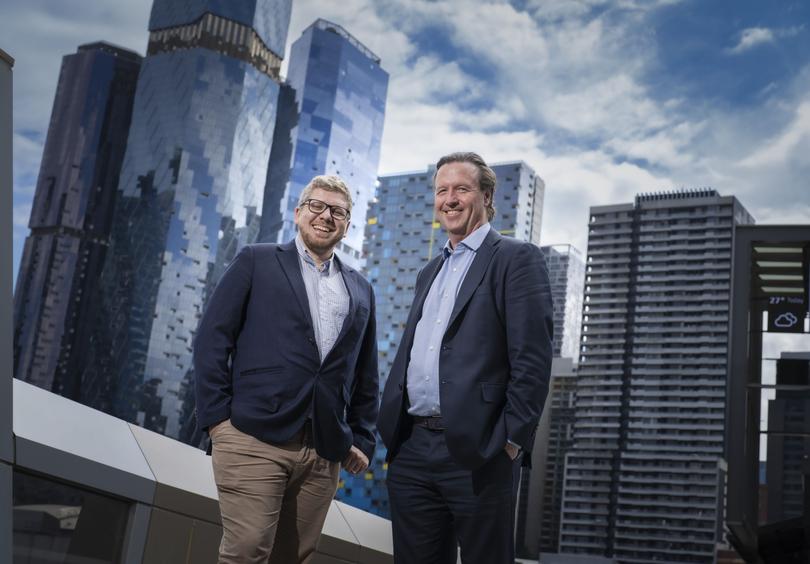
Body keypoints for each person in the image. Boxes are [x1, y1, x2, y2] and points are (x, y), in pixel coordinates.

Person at [378, 152, 553, 564]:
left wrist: (509, 441)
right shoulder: (429, 271)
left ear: (487, 196)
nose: (450, 199)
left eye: (462, 189)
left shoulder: (516, 258)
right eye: (442, 190)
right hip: (413, 449)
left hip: (480, 451)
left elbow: (533, 360)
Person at [194, 175, 378, 564]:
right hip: (252, 437)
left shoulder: (361, 289)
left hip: (324, 450)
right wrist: (217, 422)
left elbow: (365, 371)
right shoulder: (255, 260)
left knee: (292, 559)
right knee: (246, 552)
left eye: (338, 212)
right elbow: (213, 340)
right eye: (317, 206)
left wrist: (362, 436)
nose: (326, 216)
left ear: (347, 225)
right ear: (298, 213)